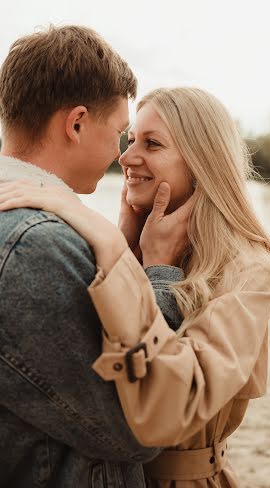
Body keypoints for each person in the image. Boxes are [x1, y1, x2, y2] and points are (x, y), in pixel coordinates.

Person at [0, 87, 270, 487]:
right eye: (130, 139)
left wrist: (116, 242)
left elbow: (170, 399)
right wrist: (123, 243)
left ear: (201, 163)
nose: (126, 158)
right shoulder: (126, 250)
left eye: (152, 144)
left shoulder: (247, 273)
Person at [0, 26, 192, 488]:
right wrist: (158, 272)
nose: (121, 154)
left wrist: (117, 247)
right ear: (77, 123)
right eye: (120, 133)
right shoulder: (36, 246)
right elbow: (138, 429)